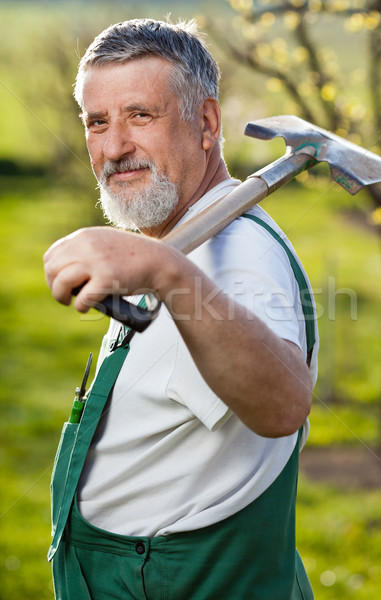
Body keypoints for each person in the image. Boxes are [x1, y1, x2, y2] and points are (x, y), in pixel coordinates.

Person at [44, 17, 318, 600]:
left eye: (140, 116)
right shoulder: (180, 234)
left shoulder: (236, 255)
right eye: (98, 122)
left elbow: (282, 401)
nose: (114, 147)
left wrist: (165, 271)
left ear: (207, 124)